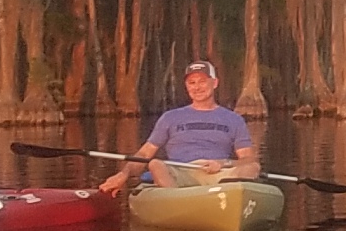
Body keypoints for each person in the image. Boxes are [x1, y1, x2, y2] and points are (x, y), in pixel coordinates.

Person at [99, 61, 258, 194]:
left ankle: (223, 196)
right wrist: (124, 174)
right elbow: (145, 153)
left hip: (217, 173)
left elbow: (248, 158)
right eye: (192, 83)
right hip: (179, 173)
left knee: (253, 167)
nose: (197, 87)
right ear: (186, 86)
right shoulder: (170, 117)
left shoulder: (234, 119)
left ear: (214, 83)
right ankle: (177, 199)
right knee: (155, 164)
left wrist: (223, 163)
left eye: (202, 81)